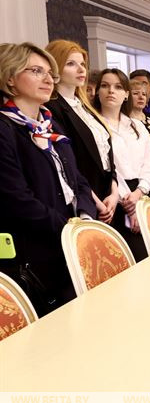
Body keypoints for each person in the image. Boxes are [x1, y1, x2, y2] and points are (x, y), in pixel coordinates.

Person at [0, 42, 96, 316]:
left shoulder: (50, 125)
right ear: (10, 77)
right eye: (35, 71)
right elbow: (17, 199)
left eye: (49, 73)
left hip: (69, 240)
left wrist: (85, 217)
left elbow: (77, 179)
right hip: (35, 250)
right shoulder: (5, 129)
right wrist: (68, 227)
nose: (47, 79)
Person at [44, 40, 119, 228]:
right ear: (55, 68)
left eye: (83, 64)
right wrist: (95, 201)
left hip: (107, 194)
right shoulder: (52, 108)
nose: (81, 69)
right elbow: (69, 164)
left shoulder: (84, 106)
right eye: (71, 64)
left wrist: (114, 191)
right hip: (85, 198)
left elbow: (106, 156)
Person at [93, 69, 150, 261]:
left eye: (118, 87)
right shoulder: (93, 126)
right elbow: (106, 168)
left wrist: (140, 192)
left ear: (126, 94)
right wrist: (128, 204)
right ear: (98, 92)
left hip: (141, 192)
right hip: (113, 196)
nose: (111, 91)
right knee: (128, 259)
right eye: (105, 86)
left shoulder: (136, 126)